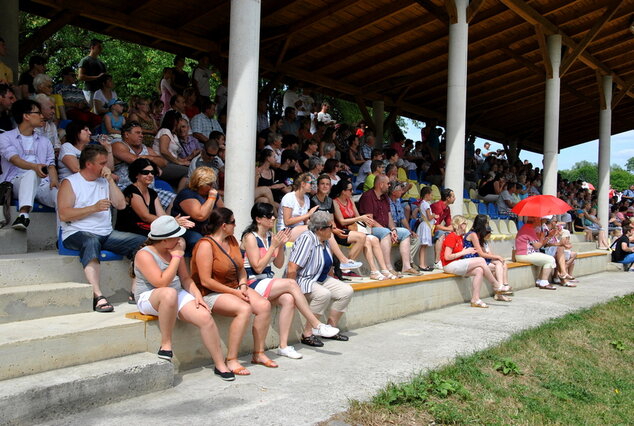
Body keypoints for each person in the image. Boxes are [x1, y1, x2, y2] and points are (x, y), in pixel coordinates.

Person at [131, 216, 234, 380]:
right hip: (150, 296)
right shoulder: (144, 254)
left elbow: (185, 279)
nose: (180, 239)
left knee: (204, 317)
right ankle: (166, 344)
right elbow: (161, 282)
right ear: (164, 241)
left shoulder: (173, 250)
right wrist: (177, 257)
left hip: (174, 293)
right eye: (176, 237)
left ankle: (220, 364)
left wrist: (197, 294)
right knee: (169, 293)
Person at [241, 203, 340, 359]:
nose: (273, 218)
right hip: (251, 282)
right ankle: (316, 324)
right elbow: (258, 267)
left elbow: (279, 264)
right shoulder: (250, 237)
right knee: (292, 283)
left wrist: (279, 246)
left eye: (273, 215)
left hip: (266, 280)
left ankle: (283, 346)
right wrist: (274, 246)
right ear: (258, 219)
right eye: (269, 216)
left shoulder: (269, 236)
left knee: (289, 299)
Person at [57, 144, 147, 312]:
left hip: (105, 233)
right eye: (102, 163)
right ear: (89, 164)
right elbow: (64, 214)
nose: (106, 167)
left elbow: (120, 205)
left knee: (142, 242)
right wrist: (93, 208)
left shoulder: (104, 181)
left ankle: (135, 291)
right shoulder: (70, 182)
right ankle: (98, 295)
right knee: (91, 242)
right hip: (76, 232)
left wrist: (111, 181)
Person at [190, 207, 275, 375]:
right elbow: (206, 281)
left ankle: (258, 353)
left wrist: (243, 285)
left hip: (234, 286)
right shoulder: (205, 245)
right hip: (211, 292)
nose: (236, 226)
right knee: (244, 309)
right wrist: (236, 292)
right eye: (233, 222)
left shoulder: (233, 241)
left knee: (264, 305)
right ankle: (232, 359)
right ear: (223, 225)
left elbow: (241, 269)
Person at [287, 211, 353, 345]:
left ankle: (331, 328)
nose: (333, 230)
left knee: (346, 291)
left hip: (319, 278)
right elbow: (292, 268)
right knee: (323, 294)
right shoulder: (307, 239)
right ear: (320, 229)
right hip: (303, 279)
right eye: (331, 227)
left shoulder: (325, 239)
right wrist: (292, 289)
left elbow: (327, 264)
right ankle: (307, 333)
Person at [0, 99, 58, 230]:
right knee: (31, 173)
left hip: (42, 183)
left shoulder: (45, 141)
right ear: (26, 116)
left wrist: (54, 180)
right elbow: (14, 159)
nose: (42, 116)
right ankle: (24, 214)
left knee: (61, 196)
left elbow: (51, 165)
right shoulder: (5, 137)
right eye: (38, 113)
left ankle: (64, 237)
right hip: (15, 183)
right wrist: (34, 167)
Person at [332, 179, 394, 280]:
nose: (352, 192)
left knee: (374, 239)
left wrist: (366, 219)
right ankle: (371, 270)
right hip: (343, 230)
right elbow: (342, 221)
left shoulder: (350, 201)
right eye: (350, 190)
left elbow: (358, 217)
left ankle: (383, 269)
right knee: (367, 240)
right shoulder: (335, 202)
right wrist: (360, 218)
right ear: (343, 191)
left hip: (355, 229)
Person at [441, 215, 508, 308]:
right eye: (465, 223)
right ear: (460, 225)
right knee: (480, 260)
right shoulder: (452, 236)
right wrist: (464, 252)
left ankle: (475, 299)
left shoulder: (460, 237)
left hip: (457, 263)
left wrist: (464, 252)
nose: (466, 225)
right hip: (449, 265)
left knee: (479, 270)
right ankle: (496, 285)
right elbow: (447, 257)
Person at [358, 175, 418, 277]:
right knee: (385, 233)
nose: (389, 185)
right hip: (371, 228)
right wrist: (387, 230)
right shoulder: (368, 196)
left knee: (405, 233)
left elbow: (389, 215)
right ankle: (387, 268)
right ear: (381, 184)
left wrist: (393, 229)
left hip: (386, 228)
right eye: (387, 183)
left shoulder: (385, 197)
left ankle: (406, 266)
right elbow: (370, 220)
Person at [170, 166, 222, 255]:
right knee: (197, 240)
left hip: (206, 230)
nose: (211, 187)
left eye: (212, 183)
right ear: (198, 183)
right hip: (187, 230)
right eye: (208, 184)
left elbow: (223, 213)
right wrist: (211, 198)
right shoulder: (187, 194)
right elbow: (200, 216)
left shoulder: (211, 194)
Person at [463, 215, 513, 301]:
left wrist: (497, 257)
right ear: (482, 224)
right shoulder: (473, 235)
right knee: (498, 266)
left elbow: (486, 252)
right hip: (473, 259)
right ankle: (500, 288)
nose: (488, 226)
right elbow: (481, 254)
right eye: (487, 223)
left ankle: (501, 287)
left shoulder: (479, 235)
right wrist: (497, 256)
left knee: (500, 263)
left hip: (479, 259)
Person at [514, 217, 558, 290]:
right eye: (542, 221)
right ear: (535, 220)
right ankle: (544, 282)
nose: (543, 223)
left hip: (525, 254)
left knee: (546, 259)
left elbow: (538, 244)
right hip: (524, 254)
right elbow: (537, 246)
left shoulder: (529, 228)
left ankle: (540, 281)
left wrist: (548, 236)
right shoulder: (529, 229)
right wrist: (543, 236)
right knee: (550, 259)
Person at [153, 110, 189, 190]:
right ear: (174, 120)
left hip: (170, 163)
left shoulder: (174, 135)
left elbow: (173, 154)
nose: (180, 122)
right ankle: (179, 195)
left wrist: (183, 161)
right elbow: (164, 151)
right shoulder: (165, 131)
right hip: (161, 165)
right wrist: (178, 162)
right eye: (179, 120)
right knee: (188, 171)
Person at [431, 188, 456, 269]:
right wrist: (449, 229)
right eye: (453, 196)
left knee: (453, 234)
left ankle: (450, 259)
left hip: (436, 229)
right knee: (441, 234)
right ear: (447, 198)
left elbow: (449, 223)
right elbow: (436, 225)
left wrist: (453, 229)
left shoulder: (447, 208)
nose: (454, 198)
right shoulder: (437, 206)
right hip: (428, 229)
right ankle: (437, 261)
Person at [77, 39, 106, 106]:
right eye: (99, 47)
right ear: (92, 47)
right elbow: (80, 76)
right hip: (89, 91)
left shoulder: (101, 63)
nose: (101, 49)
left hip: (100, 93)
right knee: (89, 111)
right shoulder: (85, 60)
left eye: (101, 47)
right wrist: (97, 77)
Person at [416, 186, 437, 271]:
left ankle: (423, 263)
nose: (432, 197)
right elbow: (429, 217)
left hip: (424, 225)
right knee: (423, 246)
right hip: (425, 226)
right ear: (427, 195)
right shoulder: (426, 204)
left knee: (423, 246)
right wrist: (434, 215)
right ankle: (422, 264)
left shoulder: (422, 204)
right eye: (431, 195)